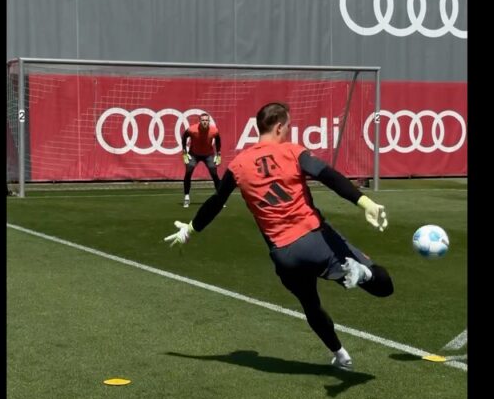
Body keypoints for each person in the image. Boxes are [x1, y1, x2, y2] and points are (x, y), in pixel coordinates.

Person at [163, 102, 393, 369]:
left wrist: (190, 230)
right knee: (383, 285)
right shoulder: (292, 152)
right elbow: (328, 175)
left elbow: (216, 202)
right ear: (280, 126)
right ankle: (362, 274)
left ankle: (341, 354)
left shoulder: (239, 164)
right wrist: (365, 203)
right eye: (289, 127)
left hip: (284, 255)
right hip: (315, 240)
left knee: (311, 304)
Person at [180, 113, 222, 208]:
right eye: (203, 120)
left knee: (214, 173)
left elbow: (218, 140)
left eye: (206, 120)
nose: (205, 122)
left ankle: (220, 198)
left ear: (209, 121)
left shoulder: (214, 130)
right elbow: (184, 137)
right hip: (194, 154)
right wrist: (184, 152)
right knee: (188, 171)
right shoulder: (192, 129)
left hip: (208, 154)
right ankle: (186, 197)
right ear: (200, 121)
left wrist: (218, 154)